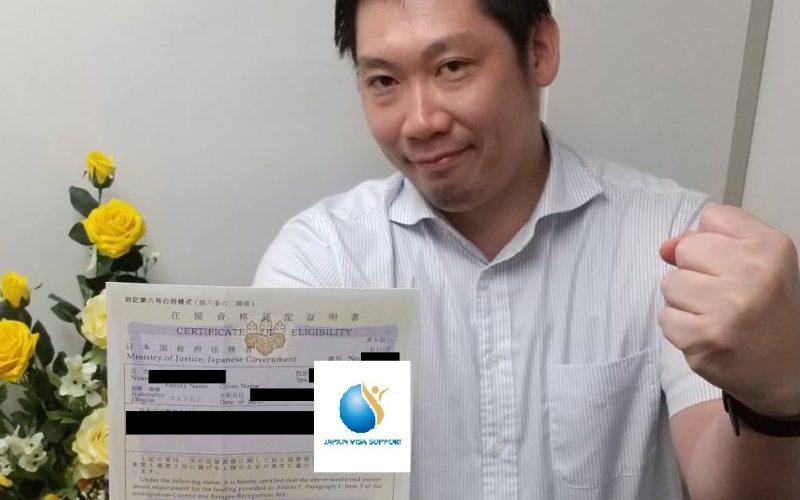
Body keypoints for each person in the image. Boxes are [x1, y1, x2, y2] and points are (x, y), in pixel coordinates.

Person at [253, 0, 800, 498]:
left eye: (452, 67)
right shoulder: (326, 262)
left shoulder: (670, 240)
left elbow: (729, 488)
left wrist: (776, 396)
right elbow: (308, 479)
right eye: (383, 80)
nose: (420, 123)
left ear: (539, 50)